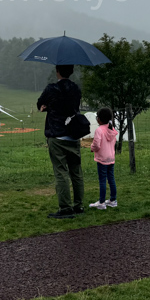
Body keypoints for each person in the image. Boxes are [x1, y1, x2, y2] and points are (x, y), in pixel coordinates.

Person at [37, 64, 85, 218]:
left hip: (56, 135)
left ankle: (65, 208)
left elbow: (40, 104)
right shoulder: (76, 89)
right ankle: (79, 206)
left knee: (61, 172)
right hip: (73, 134)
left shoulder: (51, 89)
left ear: (57, 71)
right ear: (71, 71)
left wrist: (47, 106)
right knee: (76, 172)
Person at [88, 107, 118, 210]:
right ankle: (113, 200)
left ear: (99, 119)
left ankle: (101, 202)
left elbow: (96, 145)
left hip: (102, 160)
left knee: (102, 181)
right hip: (111, 158)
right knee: (111, 179)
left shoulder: (99, 130)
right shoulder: (112, 129)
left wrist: (92, 148)